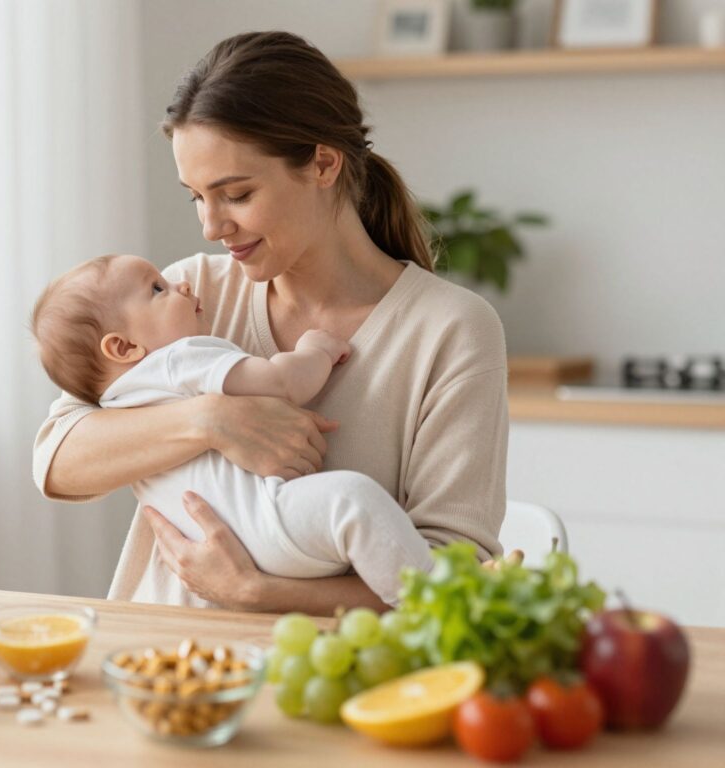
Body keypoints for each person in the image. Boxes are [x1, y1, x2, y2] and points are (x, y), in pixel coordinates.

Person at [33, 31, 508, 614]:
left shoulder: (449, 330)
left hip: (330, 665)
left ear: (323, 164)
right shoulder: (190, 295)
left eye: (235, 194)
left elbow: (456, 571)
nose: (211, 226)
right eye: (196, 197)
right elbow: (58, 461)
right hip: (156, 653)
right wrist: (212, 420)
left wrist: (257, 593)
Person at [30, 253, 435, 606]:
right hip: (266, 525)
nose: (182, 284)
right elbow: (281, 383)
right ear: (123, 347)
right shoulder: (177, 358)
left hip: (221, 546)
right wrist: (315, 351)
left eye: (239, 196)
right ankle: (428, 600)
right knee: (354, 500)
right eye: (158, 288)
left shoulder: (115, 400)